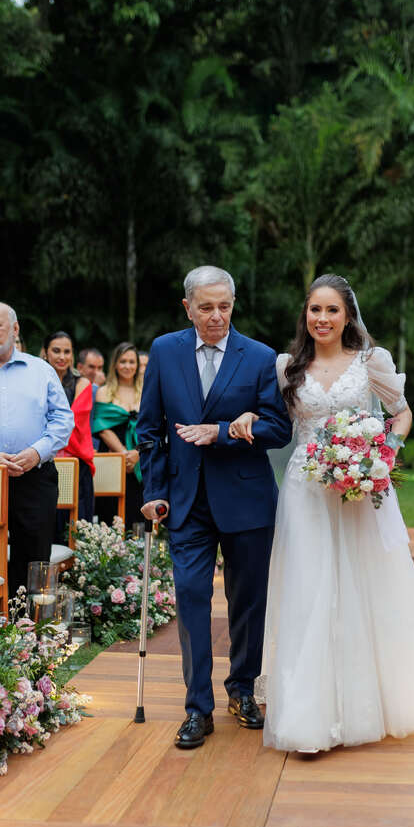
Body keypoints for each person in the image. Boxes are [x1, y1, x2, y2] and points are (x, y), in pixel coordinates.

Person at [230, 274, 414, 753]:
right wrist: (250, 418)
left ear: (347, 315)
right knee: (310, 585)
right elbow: (274, 418)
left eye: (331, 311)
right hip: (306, 489)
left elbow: (401, 412)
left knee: (364, 582)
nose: (322, 319)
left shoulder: (371, 362)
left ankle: (371, 695)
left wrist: (383, 453)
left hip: (361, 488)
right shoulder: (286, 368)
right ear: (306, 315)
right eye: (314, 310)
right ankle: (308, 713)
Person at [137, 265, 292, 750]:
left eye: (224, 306)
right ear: (188, 307)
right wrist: (153, 490)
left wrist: (225, 432)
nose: (216, 316)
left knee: (247, 604)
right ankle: (196, 707)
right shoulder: (164, 351)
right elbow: (149, 430)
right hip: (186, 500)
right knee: (191, 599)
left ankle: (241, 690)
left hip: (246, 498)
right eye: (206, 307)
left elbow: (277, 429)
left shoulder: (260, 356)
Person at [0, 302, 73, 595]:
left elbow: (62, 421)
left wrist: (36, 452)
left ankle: (32, 631)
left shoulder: (41, 370)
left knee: (33, 555)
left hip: (35, 475)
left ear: (15, 329)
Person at [44, 331, 95, 523]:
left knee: (75, 527)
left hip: (74, 459)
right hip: (42, 459)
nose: (62, 357)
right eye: (56, 351)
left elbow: (75, 423)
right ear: (45, 352)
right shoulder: (36, 382)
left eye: (67, 351)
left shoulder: (82, 383)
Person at [92, 342, 144, 527]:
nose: (127, 366)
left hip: (140, 460)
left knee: (139, 512)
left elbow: (153, 428)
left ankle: (139, 553)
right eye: (123, 361)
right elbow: (102, 428)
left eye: (132, 362)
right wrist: (123, 454)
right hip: (112, 459)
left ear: (137, 365)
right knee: (111, 512)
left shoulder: (147, 391)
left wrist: (136, 453)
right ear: (114, 364)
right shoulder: (104, 392)